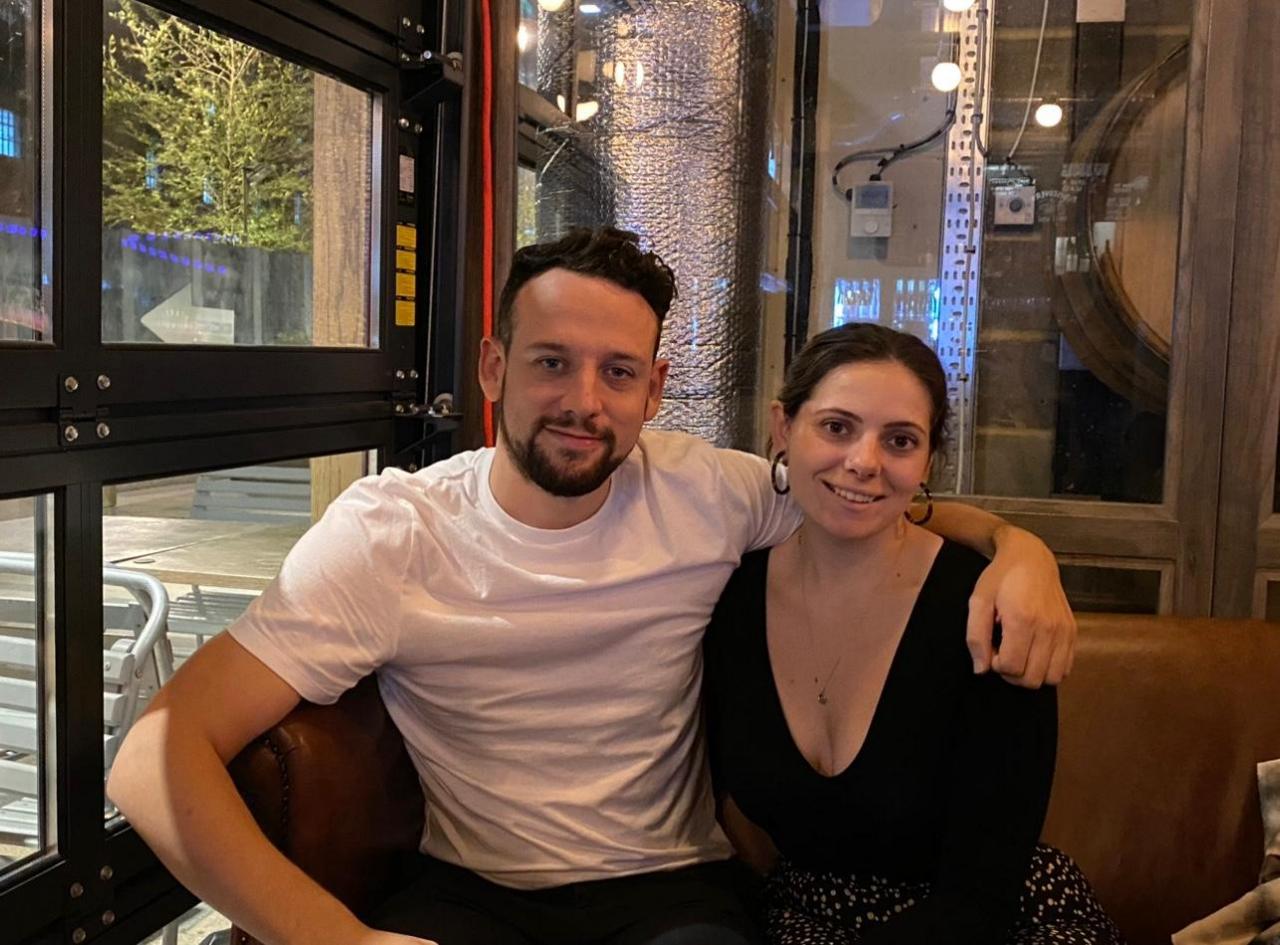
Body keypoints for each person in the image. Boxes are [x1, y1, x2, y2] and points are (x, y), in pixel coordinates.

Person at [108, 229, 1077, 945]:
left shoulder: (711, 492)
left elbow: (861, 500)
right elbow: (156, 752)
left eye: (617, 372)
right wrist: (334, 939)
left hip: (673, 896)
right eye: (550, 363)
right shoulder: (391, 532)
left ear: (653, 392)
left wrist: (1015, 548)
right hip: (466, 891)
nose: (583, 400)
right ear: (493, 367)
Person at [702, 323, 1121, 944]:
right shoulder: (729, 600)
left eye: (899, 440)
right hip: (804, 920)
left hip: (991, 923)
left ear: (927, 461)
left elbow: (980, 895)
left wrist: (1020, 547)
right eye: (837, 427)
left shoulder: (989, 606)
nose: (864, 463)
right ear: (783, 428)